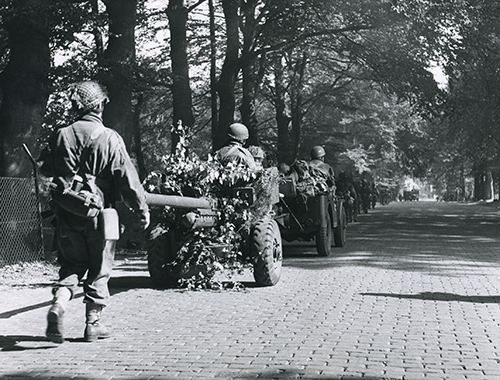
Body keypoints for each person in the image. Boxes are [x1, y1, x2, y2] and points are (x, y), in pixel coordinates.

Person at [38, 81, 150, 343]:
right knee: (100, 269)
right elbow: (128, 180)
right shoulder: (110, 137)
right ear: (99, 105)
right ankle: (93, 324)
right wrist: (141, 209)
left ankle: (59, 303)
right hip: (101, 214)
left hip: (67, 212)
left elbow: (45, 170)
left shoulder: (61, 134)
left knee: (71, 265)